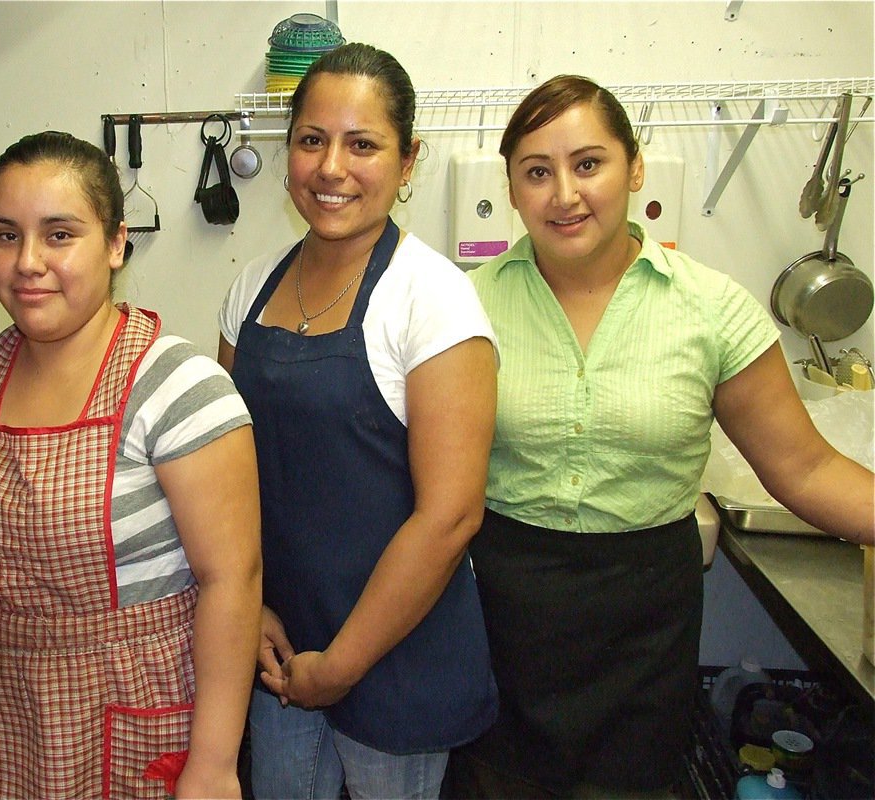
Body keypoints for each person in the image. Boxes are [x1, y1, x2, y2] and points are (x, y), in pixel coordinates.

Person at [445, 74, 875, 799]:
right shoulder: (463, 306)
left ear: (633, 167)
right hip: (501, 619)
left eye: (588, 164)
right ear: (512, 188)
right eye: (537, 173)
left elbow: (804, 469)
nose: (564, 194)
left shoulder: (710, 308)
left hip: (643, 630)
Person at [0, 131, 262, 800]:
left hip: (138, 714)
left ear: (115, 244)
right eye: (4, 235)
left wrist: (214, 763)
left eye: (59, 235)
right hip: (1, 712)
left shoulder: (177, 386)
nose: (28, 262)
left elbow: (232, 579)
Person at [217, 43, 500, 800]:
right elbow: (226, 473)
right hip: (280, 644)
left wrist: (340, 667)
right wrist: (251, 608)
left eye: (363, 144)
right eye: (311, 140)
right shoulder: (251, 289)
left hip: (396, 653)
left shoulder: (432, 300)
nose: (331, 168)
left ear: (408, 162)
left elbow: (449, 517)